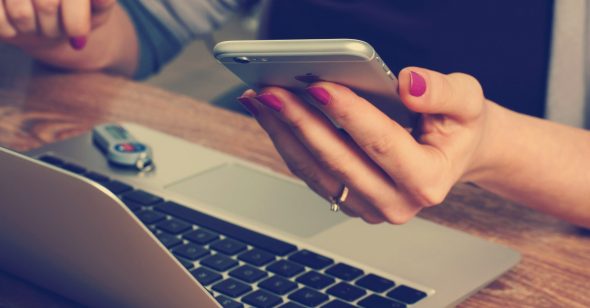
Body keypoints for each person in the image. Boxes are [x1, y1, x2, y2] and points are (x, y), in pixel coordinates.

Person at [1, 0, 588, 227]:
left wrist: (492, 145)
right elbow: (148, 24)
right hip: (270, 180)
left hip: (527, 232)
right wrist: (65, 23)